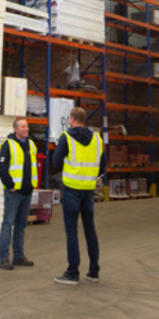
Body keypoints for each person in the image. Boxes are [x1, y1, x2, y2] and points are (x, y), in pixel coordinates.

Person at [51, 106, 105, 285]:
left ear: (72, 120)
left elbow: (56, 162)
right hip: (89, 191)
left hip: (72, 190)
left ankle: (73, 272)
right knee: (90, 230)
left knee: (71, 231)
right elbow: (103, 166)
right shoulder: (97, 138)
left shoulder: (66, 137)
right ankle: (93, 271)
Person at [0, 117, 37, 270]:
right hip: (14, 192)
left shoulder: (31, 145)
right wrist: (10, 185)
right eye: (23, 126)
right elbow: (1, 167)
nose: (26, 129)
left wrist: (32, 185)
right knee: (8, 224)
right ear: (16, 129)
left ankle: (19, 256)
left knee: (21, 225)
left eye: (27, 126)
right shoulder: (8, 145)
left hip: (27, 191)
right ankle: (4, 258)